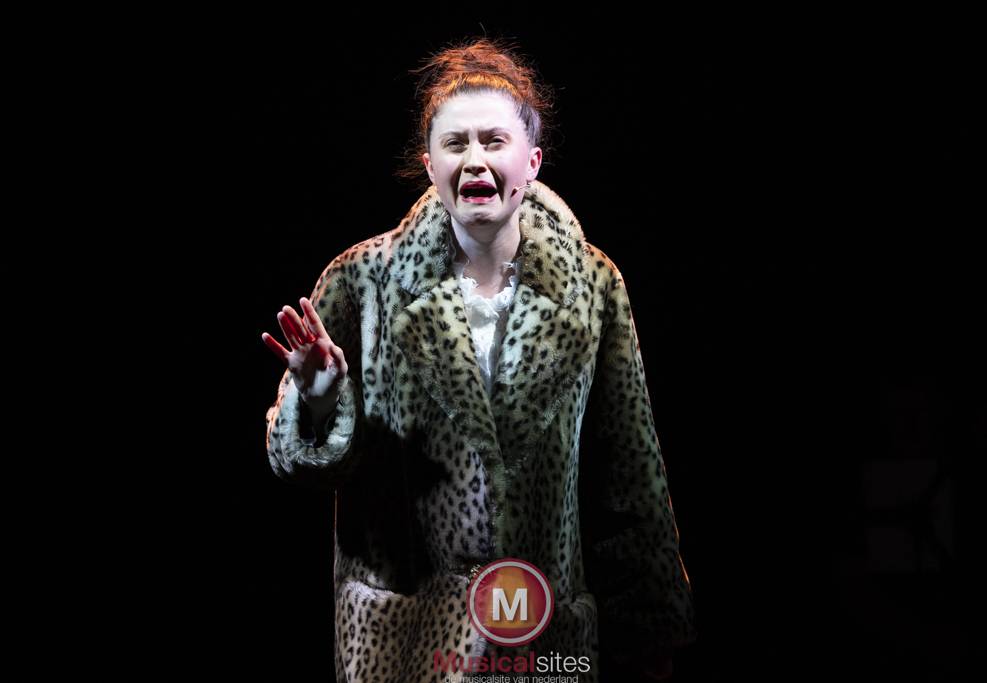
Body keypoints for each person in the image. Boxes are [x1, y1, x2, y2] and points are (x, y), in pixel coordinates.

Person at [261, 37, 696, 682]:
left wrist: (652, 634)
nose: (474, 161)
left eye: (493, 141)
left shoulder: (594, 285)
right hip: (408, 647)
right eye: (455, 143)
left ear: (532, 161)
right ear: (430, 163)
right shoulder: (362, 280)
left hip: (542, 644)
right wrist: (321, 403)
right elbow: (297, 463)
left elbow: (630, 474)